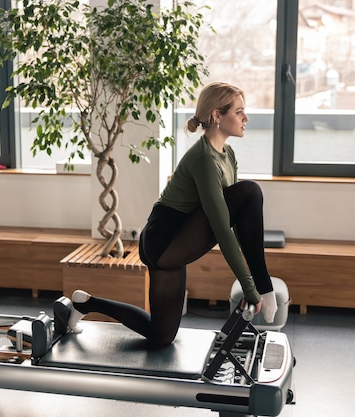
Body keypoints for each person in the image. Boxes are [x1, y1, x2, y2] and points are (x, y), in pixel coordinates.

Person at [66, 81, 277, 346]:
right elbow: (222, 228)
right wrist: (254, 287)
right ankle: (265, 283)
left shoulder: (228, 155)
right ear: (216, 116)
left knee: (161, 335)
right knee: (250, 192)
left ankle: (84, 304)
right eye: (239, 112)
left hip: (179, 238)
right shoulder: (204, 159)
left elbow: (236, 221)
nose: (246, 118)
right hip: (163, 239)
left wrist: (249, 287)